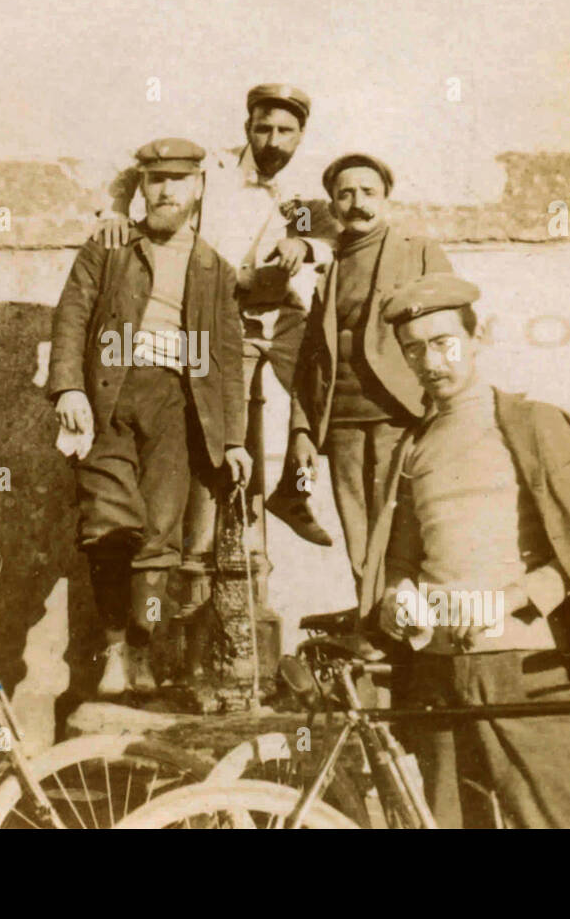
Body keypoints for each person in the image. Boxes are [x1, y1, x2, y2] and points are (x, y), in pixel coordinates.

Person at [370, 274, 570, 828]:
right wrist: (398, 596)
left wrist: (506, 601)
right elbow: (402, 559)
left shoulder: (537, 426)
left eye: (443, 342)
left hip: (530, 668)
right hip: (436, 671)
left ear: (476, 338)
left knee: (554, 823)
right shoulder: (412, 447)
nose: (430, 360)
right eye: (414, 349)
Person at [94, 84, 339, 551]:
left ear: (301, 135)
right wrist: (116, 211)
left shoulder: (300, 190)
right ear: (247, 128)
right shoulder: (215, 171)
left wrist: (301, 243)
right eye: (263, 128)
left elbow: (325, 232)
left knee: (320, 381)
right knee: (223, 419)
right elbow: (136, 172)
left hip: (279, 313)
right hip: (223, 311)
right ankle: (203, 545)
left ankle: (295, 489)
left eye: (286, 131)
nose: (273, 141)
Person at [49, 138, 251, 695]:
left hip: (178, 405)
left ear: (198, 188)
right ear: (140, 186)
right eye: (155, 179)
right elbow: (71, 318)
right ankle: (114, 652)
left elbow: (228, 357)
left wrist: (233, 439)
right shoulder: (110, 248)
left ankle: (142, 650)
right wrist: (68, 388)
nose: (164, 190)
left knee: (160, 540)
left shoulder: (215, 268)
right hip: (109, 398)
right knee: (110, 529)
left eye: (177, 180)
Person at [287, 153, 451, 593]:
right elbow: (309, 358)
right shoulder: (329, 261)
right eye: (345, 194)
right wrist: (302, 429)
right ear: (333, 204)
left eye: (367, 193)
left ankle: (407, 630)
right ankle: (375, 626)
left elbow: (450, 333)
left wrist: (446, 408)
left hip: (401, 412)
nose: (357, 203)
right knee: (358, 533)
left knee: (400, 526)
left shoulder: (418, 253)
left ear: (385, 197)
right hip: (340, 420)